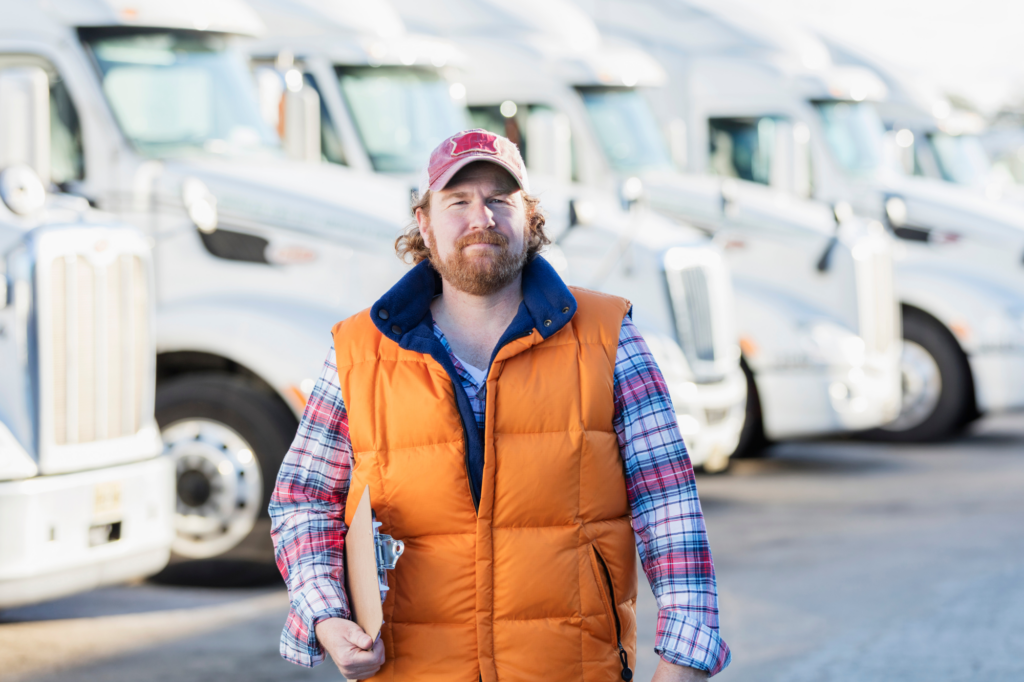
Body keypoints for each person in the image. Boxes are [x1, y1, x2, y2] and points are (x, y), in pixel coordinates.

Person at [270, 129, 730, 681]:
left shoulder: (610, 339)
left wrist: (684, 661)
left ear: (529, 216)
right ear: (424, 222)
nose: (481, 218)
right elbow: (303, 499)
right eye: (458, 201)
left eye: (499, 199)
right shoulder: (357, 352)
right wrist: (324, 615)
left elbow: (670, 507)